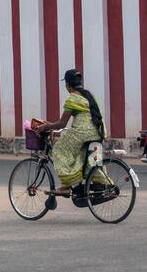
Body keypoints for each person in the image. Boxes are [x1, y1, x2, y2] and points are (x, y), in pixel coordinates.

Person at [31, 69, 113, 197]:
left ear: (68, 85)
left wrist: (47, 126)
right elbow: (84, 119)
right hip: (98, 131)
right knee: (87, 157)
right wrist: (51, 124)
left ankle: (67, 185)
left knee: (59, 148)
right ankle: (99, 182)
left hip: (83, 132)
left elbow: (62, 124)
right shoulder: (88, 96)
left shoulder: (72, 98)